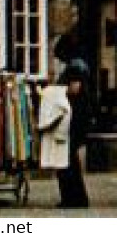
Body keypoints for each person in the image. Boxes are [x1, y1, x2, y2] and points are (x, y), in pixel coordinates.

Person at [46, 34, 91, 208]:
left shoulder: (74, 67)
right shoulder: (80, 64)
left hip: (72, 116)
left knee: (66, 158)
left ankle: (72, 197)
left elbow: (74, 89)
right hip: (78, 116)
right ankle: (77, 197)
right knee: (70, 159)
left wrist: (55, 91)